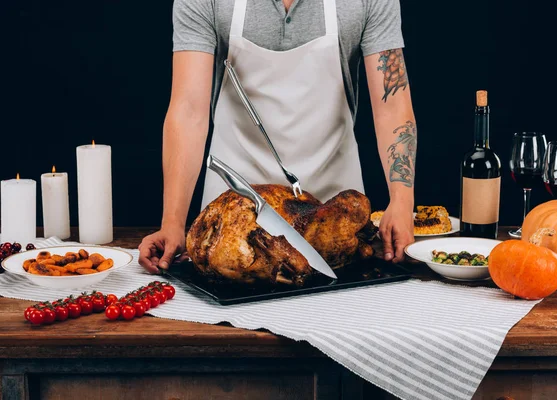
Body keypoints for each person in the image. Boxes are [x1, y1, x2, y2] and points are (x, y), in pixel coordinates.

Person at [139, 0, 417, 273]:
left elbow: (392, 107)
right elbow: (188, 110)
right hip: (233, 225)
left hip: (334, 218)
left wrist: (402, 203)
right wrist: (173, 223)